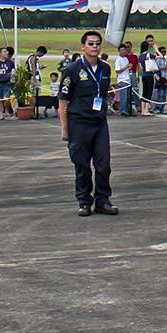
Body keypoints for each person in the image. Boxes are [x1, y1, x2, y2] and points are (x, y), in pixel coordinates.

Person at [58, 30, 118, 216]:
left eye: (97, 43)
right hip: (79, 122)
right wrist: (64, 128)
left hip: (99, 122)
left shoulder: (105, 68)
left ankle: (102, 200)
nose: (95, 47)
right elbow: (62, 100)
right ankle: (84, 201)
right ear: (83, 46)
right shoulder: (73, 70)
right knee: (82, 163)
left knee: (103, 164)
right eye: (90, 43)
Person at [0, 47, 16, 119]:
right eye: (4, 52)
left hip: (7, 83)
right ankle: (0, 113)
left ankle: (6, 109)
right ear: (0, 53)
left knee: (7, 99)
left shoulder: (9, 62)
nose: (6, 53)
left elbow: (15, 70)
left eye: (6, 52)